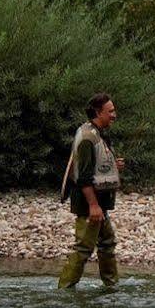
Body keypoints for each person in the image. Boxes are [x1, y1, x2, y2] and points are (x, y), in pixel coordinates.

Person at [58, 93, 122, 289]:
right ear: (97, 112)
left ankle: (111, 287)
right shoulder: (87, 138)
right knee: (83, 249)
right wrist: (93, 206)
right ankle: (65, 290)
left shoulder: (97, 133)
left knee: (107, 244)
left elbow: (96, 166)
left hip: (99, 203)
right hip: (89, 205)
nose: (114, 115)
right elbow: (83, 177)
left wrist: (114, 165)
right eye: (110, 111)